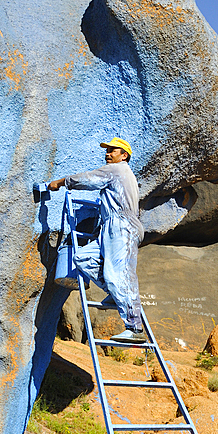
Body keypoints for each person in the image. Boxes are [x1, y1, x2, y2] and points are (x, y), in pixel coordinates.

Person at [48, 137, 146, 343]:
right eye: (107, 150)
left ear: (124, 155)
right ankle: (112, 290)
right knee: (82, 258)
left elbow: (89, 179)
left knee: (119, 274)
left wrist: (61, 182)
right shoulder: (119, 173)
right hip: (110, 227)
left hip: (122, 227)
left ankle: (135, 327)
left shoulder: (119, 170)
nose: (108, 153)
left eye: (113, 150)